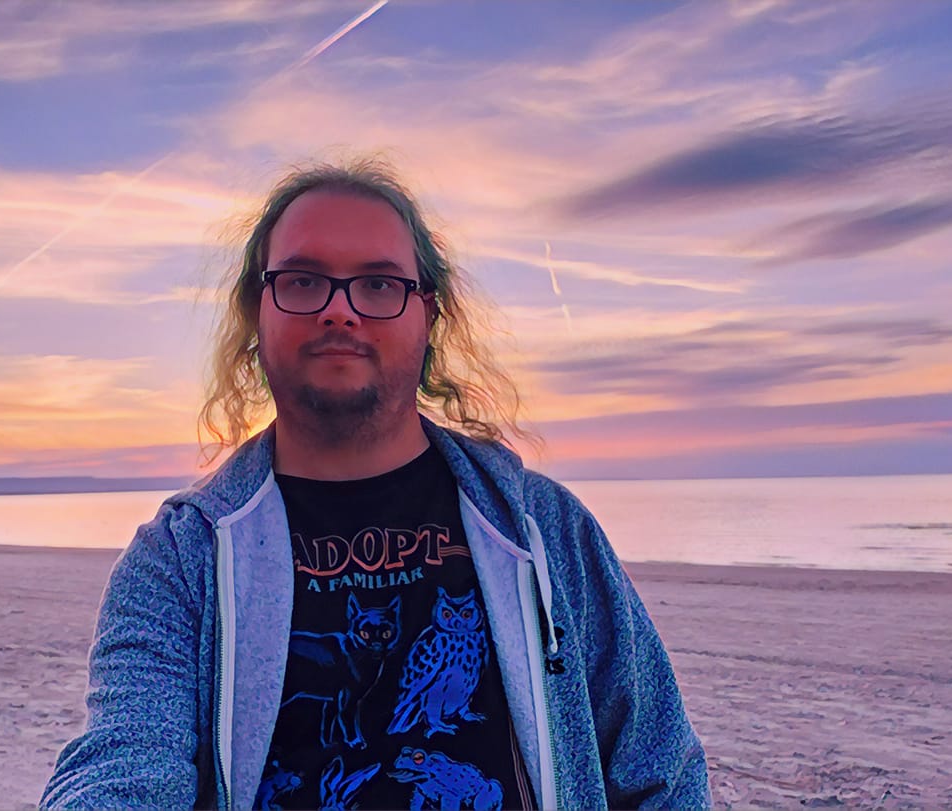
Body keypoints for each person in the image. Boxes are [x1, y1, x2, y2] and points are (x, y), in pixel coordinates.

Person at [40, 160, 709, 810]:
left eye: (380, 284)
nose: (340, 311)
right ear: (256, 311)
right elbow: (122, 763)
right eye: (303, 281)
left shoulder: (544, 530)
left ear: (429, 316)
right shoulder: (178, 561)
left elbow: (660, 769)